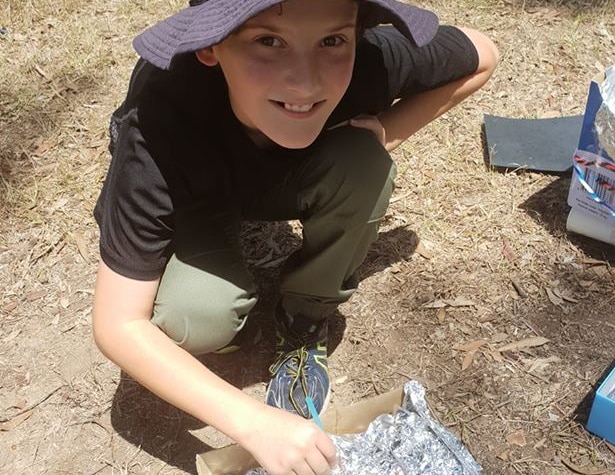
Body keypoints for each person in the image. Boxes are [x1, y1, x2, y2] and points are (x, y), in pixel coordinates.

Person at [91, 0, 498, 473]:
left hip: (283, 175)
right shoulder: (160, 120)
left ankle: (303, 317)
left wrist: (387, 131)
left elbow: (483, 53)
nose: (306, 81)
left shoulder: (367, 63)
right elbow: (118, 323)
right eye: (268, 41)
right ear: (210, 46)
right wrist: (252, 422)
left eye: (331, 40)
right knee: (196, 318)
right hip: (197, 191)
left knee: (364, 164)